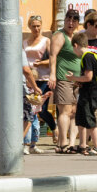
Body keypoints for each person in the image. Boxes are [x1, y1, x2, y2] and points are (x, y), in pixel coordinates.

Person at [47, 9, 82, 153]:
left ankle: (71, 143)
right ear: (65, 20)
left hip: (77, 80)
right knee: (65, 111)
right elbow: (53, 55)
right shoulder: (59, 35)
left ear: (78, 23)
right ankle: (63, 143)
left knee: (74, 112)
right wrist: (52, 75)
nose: (71, 23)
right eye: (68, 20)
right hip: (63, 78)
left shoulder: (76, 37)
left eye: (74, 20)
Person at [66, 30, 97, 155]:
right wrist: (78, 81)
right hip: (86, 92)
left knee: (89, 119)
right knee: (81, 118)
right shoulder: (89, 56)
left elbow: (88, 77)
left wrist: (74, 78)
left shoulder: (87, 57)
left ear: (76, 45)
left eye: (73, 48)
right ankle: (83, 145)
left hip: (90, 93)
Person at [23, 15, 56, 151]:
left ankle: (54, 128)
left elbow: (53, 59)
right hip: (28, 78)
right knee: (30, 111)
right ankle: (32, 143)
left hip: (43, 77)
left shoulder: (46, 41)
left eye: (38, 26)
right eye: (33, 26)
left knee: (40, 110)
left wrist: (41, 62)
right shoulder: (24, 42)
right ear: (29, 27)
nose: (36, 28)